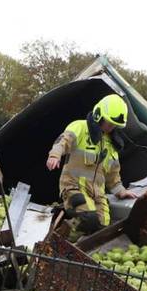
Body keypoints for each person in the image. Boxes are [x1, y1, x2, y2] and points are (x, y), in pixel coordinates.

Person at [45, 93, 138, 235]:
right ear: (99, 115)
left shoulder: (112, 145)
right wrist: (55, 155)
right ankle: (60, 234)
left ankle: (79, 244)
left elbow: (113, 176)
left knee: (104, 225)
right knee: (89, 218)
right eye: (110, 122)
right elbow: (63, 142)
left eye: (115, 125)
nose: (111, 127)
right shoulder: (80, 127)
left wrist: (122, 192)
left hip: (97, 194)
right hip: (73, 187)